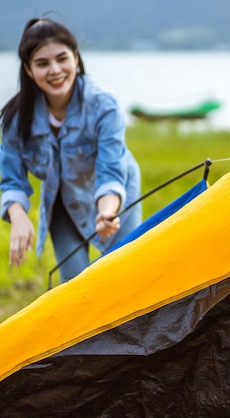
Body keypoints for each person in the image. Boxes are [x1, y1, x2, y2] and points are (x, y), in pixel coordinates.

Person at [1, 18, 142, 283]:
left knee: (122, 278)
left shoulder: (104, 104)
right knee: (77, 285)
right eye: (42, 63)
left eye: (62, 58)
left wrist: (107, 213)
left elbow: (111, 173)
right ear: (29, 70)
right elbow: (12, 180)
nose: (54, 70)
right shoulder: (15, 119)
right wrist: (18, 216)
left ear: (76, 58)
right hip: (62, 202)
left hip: (116, 198)